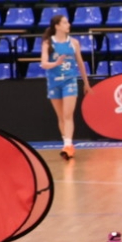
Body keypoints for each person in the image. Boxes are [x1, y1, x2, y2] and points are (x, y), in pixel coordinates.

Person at [39, 13, 90, 160]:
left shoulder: (74, 43)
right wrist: (55, 64)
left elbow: (80, 63)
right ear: (57, 26)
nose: (69, 25)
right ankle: (66, 143)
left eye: (68, 22)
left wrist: (86, 82)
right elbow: (43, 63)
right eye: (65, 23)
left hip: (70, 80)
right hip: (54, 81)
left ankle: (68, 146)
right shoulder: (48, 43)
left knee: (68, 115)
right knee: (61, 116)